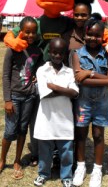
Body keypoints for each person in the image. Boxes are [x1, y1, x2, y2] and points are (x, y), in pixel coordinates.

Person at [0, 16, 43, 179]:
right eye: (27, 32)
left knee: (22, 129)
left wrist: (35, 76)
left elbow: (37, 68)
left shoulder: (37, 51)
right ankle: (1, 160)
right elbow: (6, 76)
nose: (30, 35)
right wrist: (7, 100)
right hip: (14, 97)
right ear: (20, 31)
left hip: (29, 97)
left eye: (33, 32)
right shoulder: (12, 49)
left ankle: (17, 161)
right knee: (10, 131)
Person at [71, 18, 108, 187]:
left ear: (102, 37)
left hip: (101, 103)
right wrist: (106, 80)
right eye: (90, 34)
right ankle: (81, 167)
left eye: (97, 35)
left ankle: (97, 170)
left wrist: (89, 73)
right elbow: (80, 80)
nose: (93, 38)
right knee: (81, 135)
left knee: (98, 135)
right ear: (85, 34)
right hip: (83, 103)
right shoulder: (77, 54)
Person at [33, 38, 79, 187]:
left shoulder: (69, 72)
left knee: (66, 150)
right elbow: (45, 93)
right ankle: (43, 173)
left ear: (65, 54)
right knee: (45, 149)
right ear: (49, 52)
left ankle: (66, 176)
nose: (57, 56)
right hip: (46, 118)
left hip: (64, 119)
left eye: (61, 53)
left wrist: (55, 87)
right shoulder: (42, 70)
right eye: (54, 52)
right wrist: (65, 90)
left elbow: (75, 93)